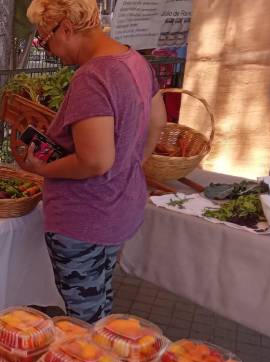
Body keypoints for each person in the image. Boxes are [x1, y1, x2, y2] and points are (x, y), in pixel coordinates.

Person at [20, 0, 167, 323]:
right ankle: (105, 361)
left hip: (84, 216)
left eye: (45, 42)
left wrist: (42, 169)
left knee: (83, 321)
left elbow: (96, 161)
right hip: (118, 209)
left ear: (67, 29)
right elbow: (158, 119)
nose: (51, 52)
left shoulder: (93, 77)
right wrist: (131, 164)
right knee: (100, 301)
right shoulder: (134, 60)